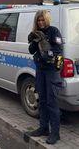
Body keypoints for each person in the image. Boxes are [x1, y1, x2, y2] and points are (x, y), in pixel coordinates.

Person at [24, 10, 63, 145]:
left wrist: (47, 51)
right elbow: (31, 51)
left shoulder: (53, 31)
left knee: (52, 103)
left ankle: (55, 133)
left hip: (51, 71)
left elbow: (58, 49)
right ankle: (43, 128)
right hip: (40, 70)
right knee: (42, 101)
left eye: (42, 20)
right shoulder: (36, 33)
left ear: (46, 20)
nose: (40, 22)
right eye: (38, 20)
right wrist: (35, 40)